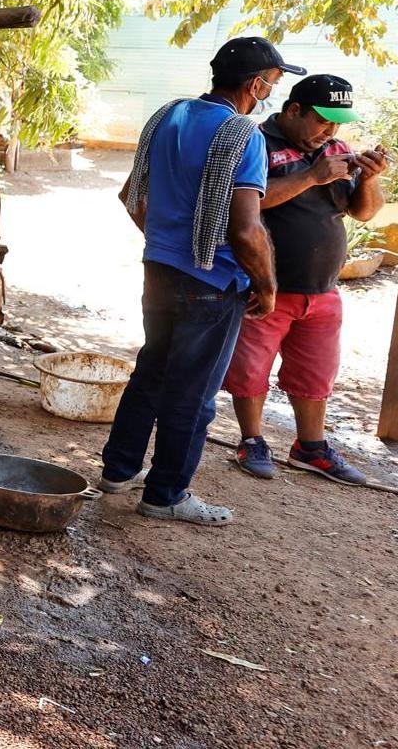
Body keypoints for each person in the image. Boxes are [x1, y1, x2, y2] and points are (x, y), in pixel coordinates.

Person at [100, 37, 290, 527]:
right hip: (211, 281)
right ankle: (166, 495)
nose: (271, 93)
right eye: (272, 83)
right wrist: (267, 285)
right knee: (194, 393)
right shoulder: (243, 136)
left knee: (152, 372)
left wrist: (167, 243)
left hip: (159, 270)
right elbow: (245, 230)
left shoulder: (169, 116)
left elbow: (131, 196)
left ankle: (119, 470)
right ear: (255, 85)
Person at [226, 74, 389, 484]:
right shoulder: (256, 142)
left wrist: (369, 179)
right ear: (294, 110)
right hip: (266, 288)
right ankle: (252, 440)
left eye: (337, 123)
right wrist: (312, 176)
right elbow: (247, 203)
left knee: (316, 373)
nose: (329, 131)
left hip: (323, 290)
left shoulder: (337, 150)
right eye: (322, 120)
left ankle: (311, 448)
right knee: (250, 369)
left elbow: (363, 212)